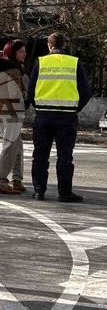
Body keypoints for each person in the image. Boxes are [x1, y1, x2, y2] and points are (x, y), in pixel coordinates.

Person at [29, 32, 92, 202]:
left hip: (43, 115)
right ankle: (64, 192)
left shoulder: (40, 62)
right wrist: (74, 108)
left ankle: (39, 191)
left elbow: (30, 90)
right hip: (67, 116)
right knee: (65, 156)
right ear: (64, 45)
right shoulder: (74, 63)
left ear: (49, 45)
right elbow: (85, 92)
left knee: (40, 155)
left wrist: (39, 107)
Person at [0, 40, 28, 195]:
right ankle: (2, 181)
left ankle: (17, 179)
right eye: (21, 51)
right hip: (12, 112)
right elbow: (16, 95)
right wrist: (25, 95)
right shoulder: (13, 70)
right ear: (12, 53)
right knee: (10, 147)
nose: (24, 54)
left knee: (17, 146)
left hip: (0, 111)